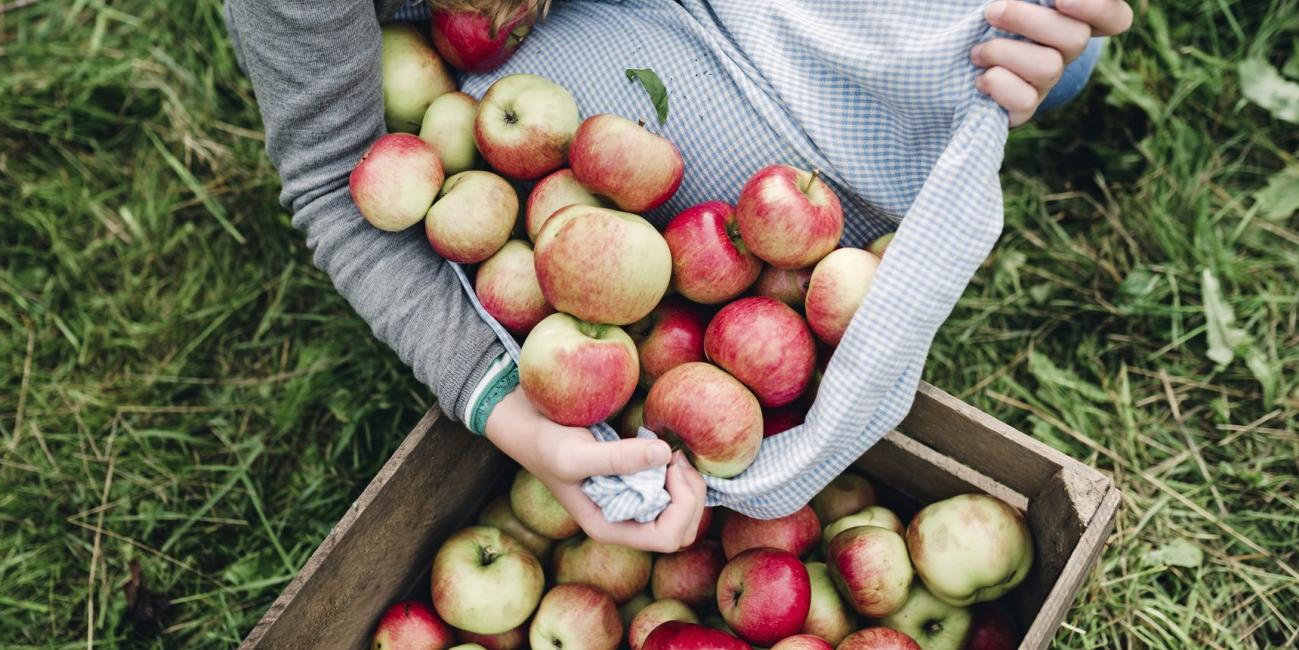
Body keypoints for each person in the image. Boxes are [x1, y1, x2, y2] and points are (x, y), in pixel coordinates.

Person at [226, 0, 1133, 553]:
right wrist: (514, 412)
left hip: (763, 65)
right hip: (551, 122)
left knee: (1053, 57)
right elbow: (331, 177)